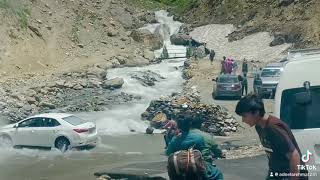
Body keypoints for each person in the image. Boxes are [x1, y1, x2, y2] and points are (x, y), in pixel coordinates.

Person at [235, 94, 308, 180]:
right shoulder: (259, 126)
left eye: (244, 116)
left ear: (256, 112)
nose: (243, 120)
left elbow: (294, 155)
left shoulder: (273, 128)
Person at [166, 115, 224, 180]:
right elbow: (202, 153)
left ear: (178, 126)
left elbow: (168, 153)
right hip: (198, 167)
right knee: (218, 174)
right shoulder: (199, 137)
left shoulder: (174, 139)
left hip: (181, 168)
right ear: (190, 124)